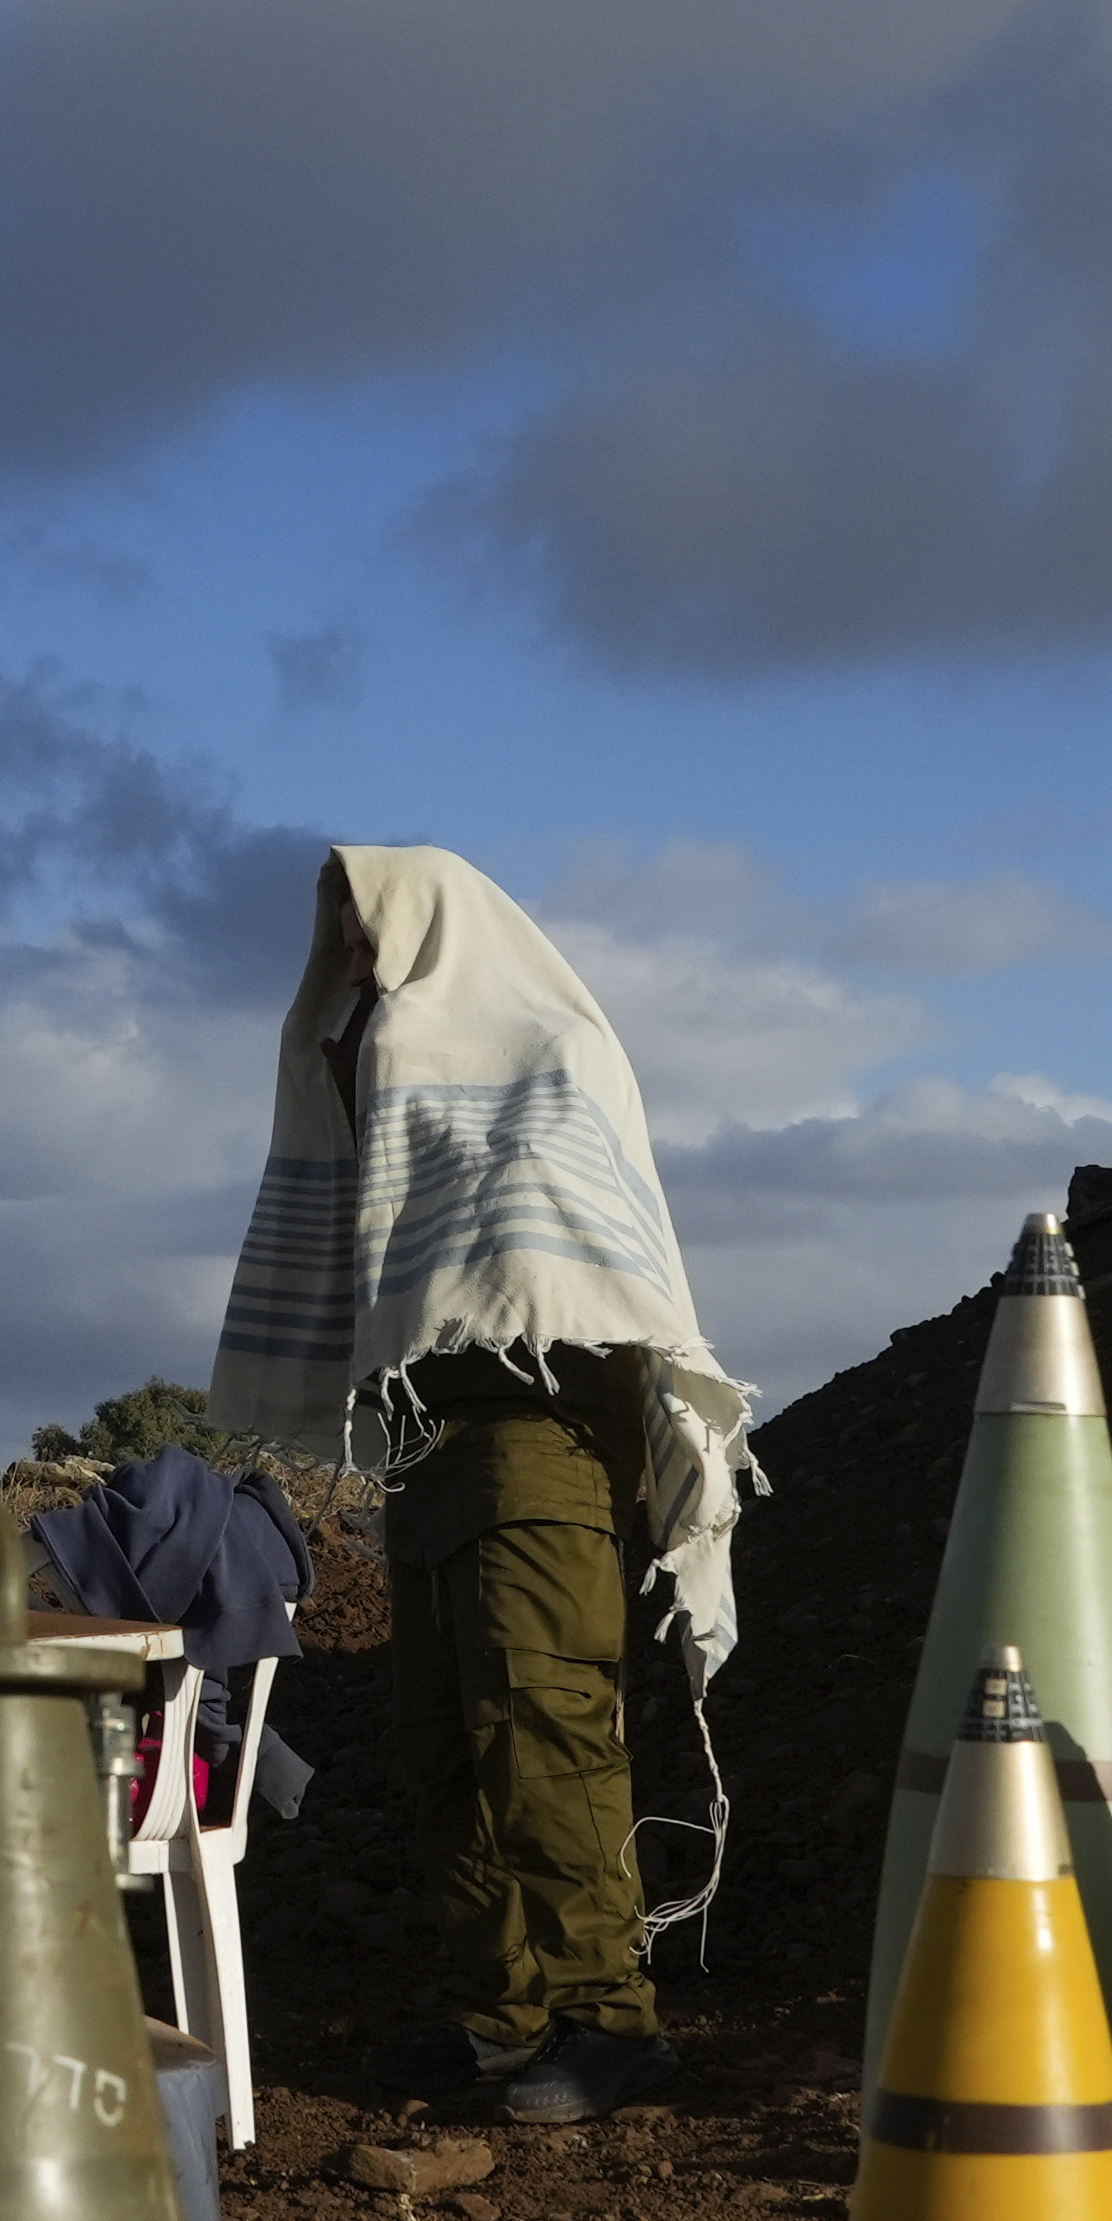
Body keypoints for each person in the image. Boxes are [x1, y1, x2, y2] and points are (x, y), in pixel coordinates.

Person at [203, 846, 764, 2129]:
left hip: (541, 1448)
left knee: (546, 1733)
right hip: (432, 1454)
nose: (354, 965)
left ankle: (606, 2020)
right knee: (442, 1748)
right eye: (340, 946)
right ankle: (498, 2017)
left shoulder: (552, 1051)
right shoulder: (390, 1061)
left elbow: (565, 1260)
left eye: (369, 938)